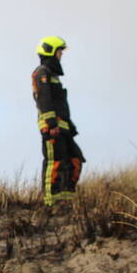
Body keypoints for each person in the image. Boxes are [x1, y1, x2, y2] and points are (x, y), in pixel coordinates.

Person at [32, 36, 84, 206]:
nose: (61, 54)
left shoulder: (53, 76)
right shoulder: (41, 73)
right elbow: (44, 99)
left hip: (63, 126)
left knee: (74, 160)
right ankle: (50, 202)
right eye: (59, 51)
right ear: (51, 52)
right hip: (52, 127)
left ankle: (65, 200)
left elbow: (59, 103)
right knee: (54, 163)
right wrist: (51, 123)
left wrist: (70, 126)